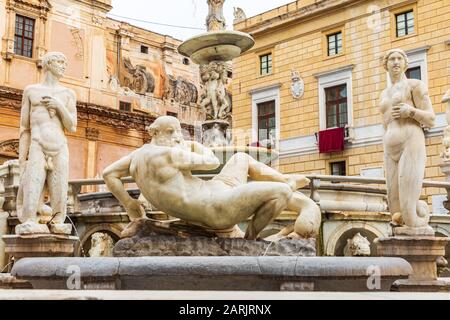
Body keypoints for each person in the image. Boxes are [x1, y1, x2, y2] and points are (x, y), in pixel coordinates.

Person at [103, 116, 319, 240]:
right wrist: (198, 146)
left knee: (241, 157)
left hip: (216, 190)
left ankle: (284, 178)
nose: (177, 137)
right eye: (172, 132)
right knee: (281, 193)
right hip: (217, 208)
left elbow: (108, 174)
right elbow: (213, 162)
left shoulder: (137, 155)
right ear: (156, 133)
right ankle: (248, 241)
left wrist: (129, 204)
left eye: (177, 131)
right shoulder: (170, 154)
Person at [16, 52, 77, 235]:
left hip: (59, 147)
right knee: (31, 192)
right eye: (59, 61)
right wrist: (21, 161)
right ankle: (30, 221)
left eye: (65, 62)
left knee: (59, 195)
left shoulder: (68, 94)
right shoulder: (31, 91)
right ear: (48, 64)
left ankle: (58, 223)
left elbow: (72, 126)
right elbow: (24, 128)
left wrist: (59, 106)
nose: (63, 66)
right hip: (37, 145)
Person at [379, 48, 435, 232]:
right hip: (390, 147)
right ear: (385, 65)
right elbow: (385, 123)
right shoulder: (384, 94)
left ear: (405, 63)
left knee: (409, 211)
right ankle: (396, 247)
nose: (395, 62)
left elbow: (431, 119)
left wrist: (410, 112)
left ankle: (419, 236)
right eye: (391, 59)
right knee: (395, 209)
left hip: (411, 142)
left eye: (399, 59)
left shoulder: (415, 85)